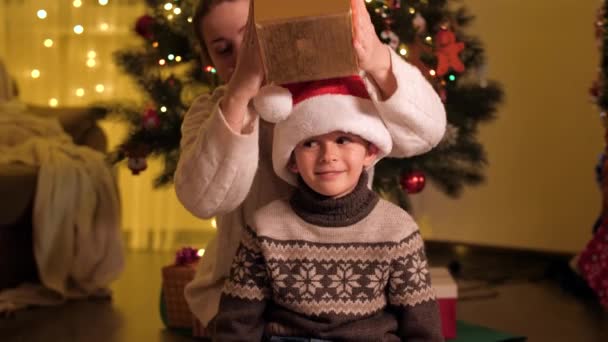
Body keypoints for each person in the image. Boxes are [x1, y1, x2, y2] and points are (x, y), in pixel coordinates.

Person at [176, 0, 447, 329]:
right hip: (244, 300)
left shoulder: (341, 91)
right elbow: (203, 199)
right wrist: (240, 93)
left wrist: (376, 58)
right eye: (223, 50)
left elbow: (427, 132)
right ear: (209, 60)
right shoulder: (210, 112)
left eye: (250, 40)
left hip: (341, 297)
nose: (244, 56)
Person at [212, 75, 443, 341]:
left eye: (343, 139)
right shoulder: (266, 227)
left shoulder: (397, 230)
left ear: (370, 151)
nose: (328, 156)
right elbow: (237, 324)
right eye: (310, 143)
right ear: (292, 160)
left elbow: (422, 329)